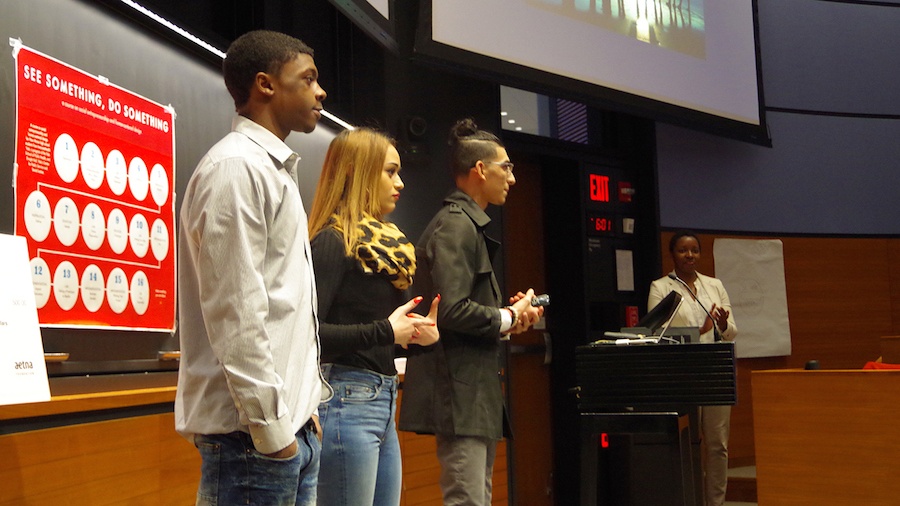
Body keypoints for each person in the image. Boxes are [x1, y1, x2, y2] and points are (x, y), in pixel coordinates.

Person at [175, 30, 332, 506]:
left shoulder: (269, 169)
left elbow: (282, 308)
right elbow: (236, 315)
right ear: (265, 85)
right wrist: (274, 433)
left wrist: (305, 409)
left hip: (285, 434)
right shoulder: (236, 169)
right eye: (308, 78)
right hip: (255, 445)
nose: (320, 91)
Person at [398, 118, 544, 506]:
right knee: (467, 500)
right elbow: (452, 311)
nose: (512, 178)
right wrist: (508, 318)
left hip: (472, 392)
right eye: (506, 168)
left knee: (476, 498)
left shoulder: (467, 225)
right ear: (480, 170)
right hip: (458, 394)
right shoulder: (456, 226)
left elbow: (464, 308)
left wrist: (510, 317)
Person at [307, 128, 440, 506]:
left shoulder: (387, 249)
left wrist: (415, 338)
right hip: (345, 402)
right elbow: (307, 333)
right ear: (359, 173)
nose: (400, 182)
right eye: (390, 172)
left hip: (381, 400)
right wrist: (386, 330)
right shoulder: (333, 241)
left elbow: (379, 338)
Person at [648, 230, 737, 506]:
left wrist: (721, 325)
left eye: (695, 251)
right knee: (688, 445)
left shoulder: (715, 285)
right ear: (672, 254)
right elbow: (656, 332)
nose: (690, 256)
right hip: (682, 373)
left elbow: (732, 331)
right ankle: (690, 499)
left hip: (715, 371)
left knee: (717, 445)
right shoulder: (661, 287)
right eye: (683, 251)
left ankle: (716, 503)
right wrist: (699, 331)